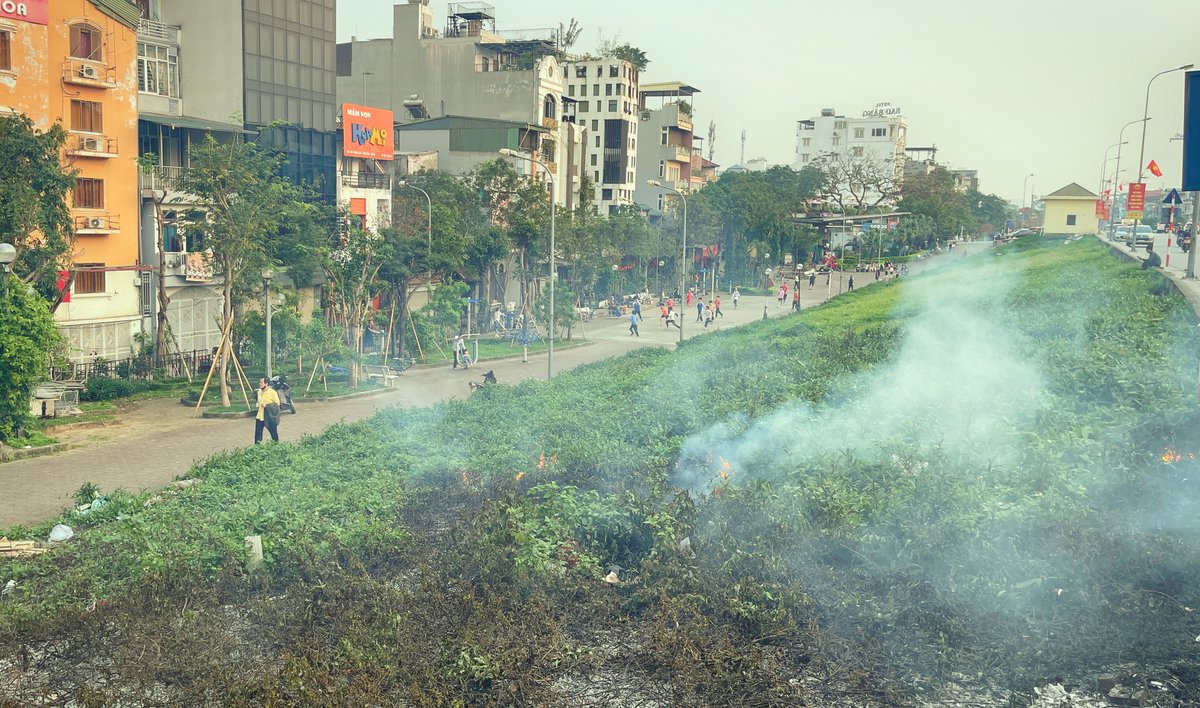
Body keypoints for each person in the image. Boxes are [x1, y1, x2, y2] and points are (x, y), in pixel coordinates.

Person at [254, 377, 280, 444]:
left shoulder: (272, 392)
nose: (259, 384)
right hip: (260, 416)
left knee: (273, 434)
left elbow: (277, 403)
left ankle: (276, 446)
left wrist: (267, 405)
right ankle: (257, 448)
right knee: (258, 435)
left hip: (269, 416)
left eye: (261, 383)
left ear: (266, 384)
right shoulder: (259, 392)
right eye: (259, 382)